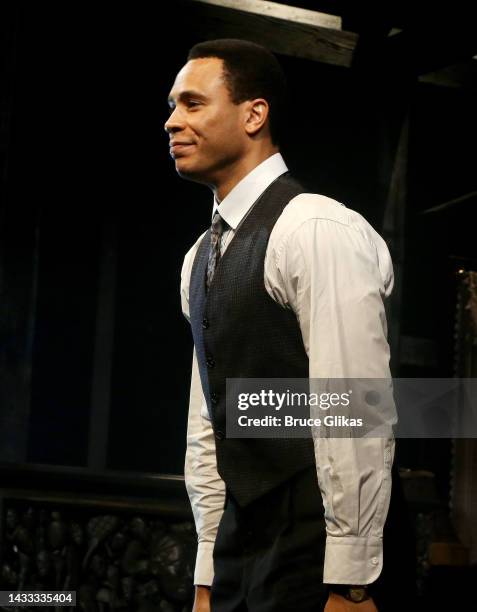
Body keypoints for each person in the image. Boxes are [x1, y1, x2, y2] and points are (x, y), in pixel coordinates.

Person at [165, 39, 395, 612]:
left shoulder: (314, 229)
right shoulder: (199, 257)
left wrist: (351, 579)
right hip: (242, 551)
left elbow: (354, 405)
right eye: (172, 106)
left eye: (193, 104)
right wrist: (206, 570)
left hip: (316, 547)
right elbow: (209, 419)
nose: (172, 121)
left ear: (253, 114)